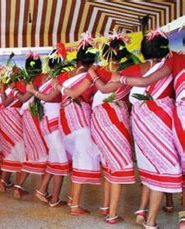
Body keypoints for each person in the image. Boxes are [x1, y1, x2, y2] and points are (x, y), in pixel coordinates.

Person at [113, 30, 182, 228]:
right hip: (161, 120)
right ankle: (150, 221)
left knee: (150, 166)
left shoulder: (134, 68)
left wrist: (117, 76)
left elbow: (110, 90)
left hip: (140, 122)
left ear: (143, 51)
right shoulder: (168, 65)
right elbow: (146, 83)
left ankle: (142, 212)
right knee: (165, 167)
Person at [86, 34, 136, 224]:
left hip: (100, 119)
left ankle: (106, 207)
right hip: (112, 119)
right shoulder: (126, 72)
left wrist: (93, 74)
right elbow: (107, 90)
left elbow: (103, 89)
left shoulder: (102, 71)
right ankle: (112, 214)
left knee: (109, 165)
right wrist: (93, 75)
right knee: (118, 165)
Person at [52, 33, 99, 216]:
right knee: (81, 159)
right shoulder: (89, 76)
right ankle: (75, 205)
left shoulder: (64, 75)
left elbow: (64, 92)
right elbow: (75, 93)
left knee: (77, 158)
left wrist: (59, 87)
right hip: (80, 121)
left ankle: (73, 198)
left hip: (65, 120)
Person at [26, 45, 71, 207]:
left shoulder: (44, 77)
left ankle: (44, 191)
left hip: (47, 120)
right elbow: (49, 97)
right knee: (59, 160)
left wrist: (33, 90)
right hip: (53, 121)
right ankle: (53, 197)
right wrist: (34, 91)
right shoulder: (57, 79)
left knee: (55, 158)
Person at [15, 52, 49, 200]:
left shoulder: (26, 80)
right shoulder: (40, 79)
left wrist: (14, 89)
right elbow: (24, 98)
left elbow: (22, 98)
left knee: (32, 152)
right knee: (45, 152)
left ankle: (18, 187)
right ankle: (43, 190)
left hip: (28, 117)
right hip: (36, 116)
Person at [0, 66, 26, 195]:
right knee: (21, 154)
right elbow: (9, 104)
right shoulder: (14, 90)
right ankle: (18, 188)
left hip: (6, 125)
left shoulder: (5, 91)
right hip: (14, 124)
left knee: (11, 153)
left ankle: (3, 182)